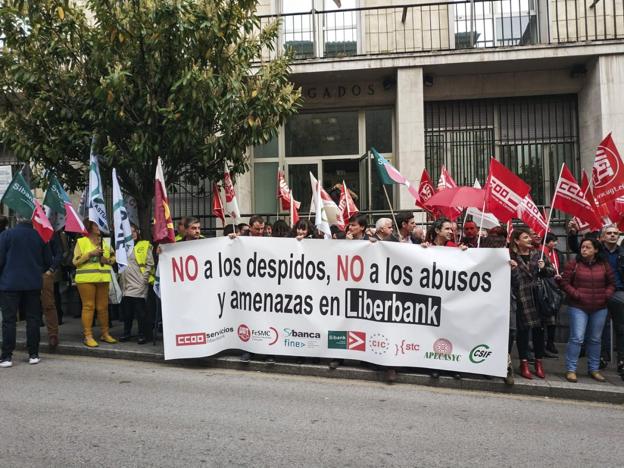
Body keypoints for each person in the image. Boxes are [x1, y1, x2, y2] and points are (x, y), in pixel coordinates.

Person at [569, 222, 624, 377]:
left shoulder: (622, 252)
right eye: (609, 233)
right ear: (602, 237)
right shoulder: (598, 253)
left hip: (617, 293)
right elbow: (577, 249)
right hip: (595, 296)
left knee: (620, 329)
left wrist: (610, 292)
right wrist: (573, 234)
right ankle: (601, 358)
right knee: (597, 331)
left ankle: (621, 361)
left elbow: (614, 280)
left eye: (615, 233)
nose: (612, 235)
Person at [559, 237, 615, 382]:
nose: (584, 250)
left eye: (588, 247)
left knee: (595, 339)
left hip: (599, 307)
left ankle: (594, 369)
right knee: (577, 338)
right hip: (578, 306)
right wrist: (576, 294)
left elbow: (612, 284)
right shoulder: (574, 264)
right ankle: (571, 369)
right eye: (583, 247)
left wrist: (605, 295)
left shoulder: (604, 265)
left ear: (596, 250)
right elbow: (565, 283)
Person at [0, 217, 52, 367]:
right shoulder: (40, 236)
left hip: (9, 283)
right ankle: (33, 354)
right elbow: (48, 261)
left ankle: (7, 357)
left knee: (9, 321)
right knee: (33, 319)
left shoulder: (6, 235)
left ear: (17, 219)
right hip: (33, 284)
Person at [509, 227, 553, 379]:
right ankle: (524, 363)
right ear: (516, 240)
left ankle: (539, 363)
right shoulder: (511, 256)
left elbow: (551, 272)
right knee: (522, 332)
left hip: (537, 297)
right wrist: (513, 269)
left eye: (529, 237)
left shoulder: (538, 254)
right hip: (521, 297)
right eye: (525, 237)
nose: (529, 239)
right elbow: (509, 280)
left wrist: (544, 268)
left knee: (539, 332)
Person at [73, 220, 117, 347]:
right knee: (88, 306)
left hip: (103, 278)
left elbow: (113, 258)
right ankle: (88, 336)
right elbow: (75, 261)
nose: (99, 227)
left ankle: (105, 333)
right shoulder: (81, 242)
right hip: (86, 279)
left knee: (103, 308)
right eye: (96, 225)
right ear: (90, 227)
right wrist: (90, 254)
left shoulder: (105, 242)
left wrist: (107, 260)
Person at [120, 224, 155, 344]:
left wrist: (143, 280)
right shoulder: (122, 247)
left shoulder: (144, 245)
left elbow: (150, 264)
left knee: (141, 312)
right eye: (129, 232)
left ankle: (142, 334)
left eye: (134, 231)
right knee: (127, 312)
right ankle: (126, 333)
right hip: (126, 284)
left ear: (138, 232)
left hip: (139, 284)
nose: (132, 234)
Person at [40, 229, 64, 351]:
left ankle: (53, 335)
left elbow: (59, 252)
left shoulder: (50, 232)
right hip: (30, 272)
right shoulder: (28, 231)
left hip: (45, 273)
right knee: (31, 305)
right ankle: (32, 333)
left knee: (49, 304)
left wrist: (51, 269)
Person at [541, 233, 564, 356]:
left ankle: (550, 342)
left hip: (556, 288)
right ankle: (542, 344)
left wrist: (561, 274)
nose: (555, 243)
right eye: (554, 241)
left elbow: (562, 266)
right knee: (544, 319)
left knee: (553, 319)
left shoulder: (558, 253)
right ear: (548, 241)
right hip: (545, 289)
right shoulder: (541, 252)